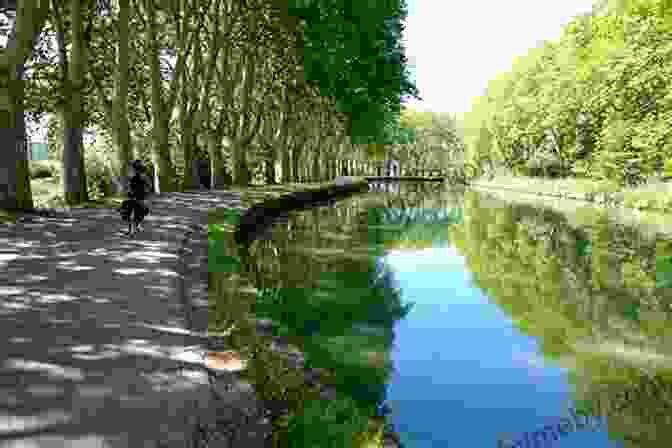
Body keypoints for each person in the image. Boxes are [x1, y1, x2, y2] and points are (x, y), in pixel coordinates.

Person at [119, 159, 152, 236]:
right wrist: (127, 190)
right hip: (134, 196)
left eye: (135, 168)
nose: (135, 170)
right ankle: (132, 227)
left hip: (140, 196)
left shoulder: (143, 177)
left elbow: (148, 186)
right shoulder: (133, 176)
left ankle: (136, 225)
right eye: (135, 168)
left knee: (143, 209)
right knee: (126, 209)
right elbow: (127, 185)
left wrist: (146, 192)